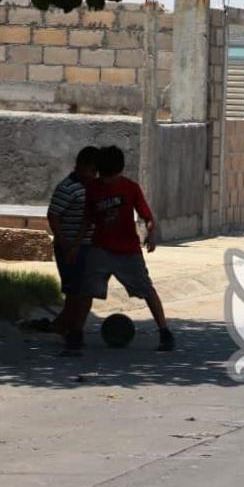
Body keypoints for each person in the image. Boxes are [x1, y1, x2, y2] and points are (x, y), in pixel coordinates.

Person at [64, 145, 175, 353]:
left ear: (119, 171)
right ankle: (76, 334)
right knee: (87, 291)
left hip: (128, 251)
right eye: (103, 176)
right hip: (100, 249)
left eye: (110, 176)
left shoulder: (130, 188)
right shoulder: (93, 189)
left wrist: (150, 233)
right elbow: (87, 220)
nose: (106, 181)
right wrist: (75, 245)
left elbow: (147, 216)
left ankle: (165, 332)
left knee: (146, 289)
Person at [38, 146, 100, 335]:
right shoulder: (67, 188)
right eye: (92, 170)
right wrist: (66, 244)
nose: (94, 175)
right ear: (81, 166)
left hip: (87, 246)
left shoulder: (92, 188)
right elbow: (53, 216)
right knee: (74, 291)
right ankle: (68, 327)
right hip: (70, 247)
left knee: (85, 291)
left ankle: (71, 326)